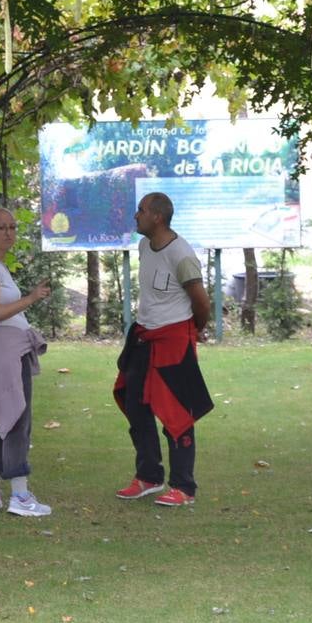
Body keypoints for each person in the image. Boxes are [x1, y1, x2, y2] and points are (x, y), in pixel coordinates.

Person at [113, 192, 214, 507]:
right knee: (135, 404)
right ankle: (148, 477)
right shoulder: (145, 245)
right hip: (144, 337)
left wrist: (192, 331)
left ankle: (183, 487)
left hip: (173, 341)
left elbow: (202, 303)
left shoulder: (181, 255)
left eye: (141, 210)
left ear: (157, 216)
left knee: (177, 412)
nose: (136, 215)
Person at [0, 207, 53, 517]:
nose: (9, 232)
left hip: (2, 350)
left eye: (13, 227)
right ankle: (20, 495)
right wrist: (30, 298)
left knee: (0, 422)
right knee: (16, 420)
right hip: (4, 354)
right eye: (1, 227)